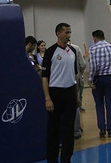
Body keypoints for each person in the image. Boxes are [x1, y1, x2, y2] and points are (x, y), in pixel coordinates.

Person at [42, 23, 79, 163]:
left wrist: (76, 96)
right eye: (66, 32)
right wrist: (47, 98)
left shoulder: (73, 51)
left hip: (69, 93)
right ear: (58, 33)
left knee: (68, 131)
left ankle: (66, 160)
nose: (69, 35)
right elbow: (44, 77)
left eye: (70, 32)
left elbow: (75, 76)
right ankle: (52, 160)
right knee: (53, 131)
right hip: (55, 93)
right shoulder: (51, 52)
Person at [88, 30, 111, 138]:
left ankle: (102, 128)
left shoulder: (93, 48)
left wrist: (90, 79)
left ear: (94, 38)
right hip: (110, 78)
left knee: (99, 105)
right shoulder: (110, 46)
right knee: (110, 105)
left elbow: (94, 66)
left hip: (98, 79)